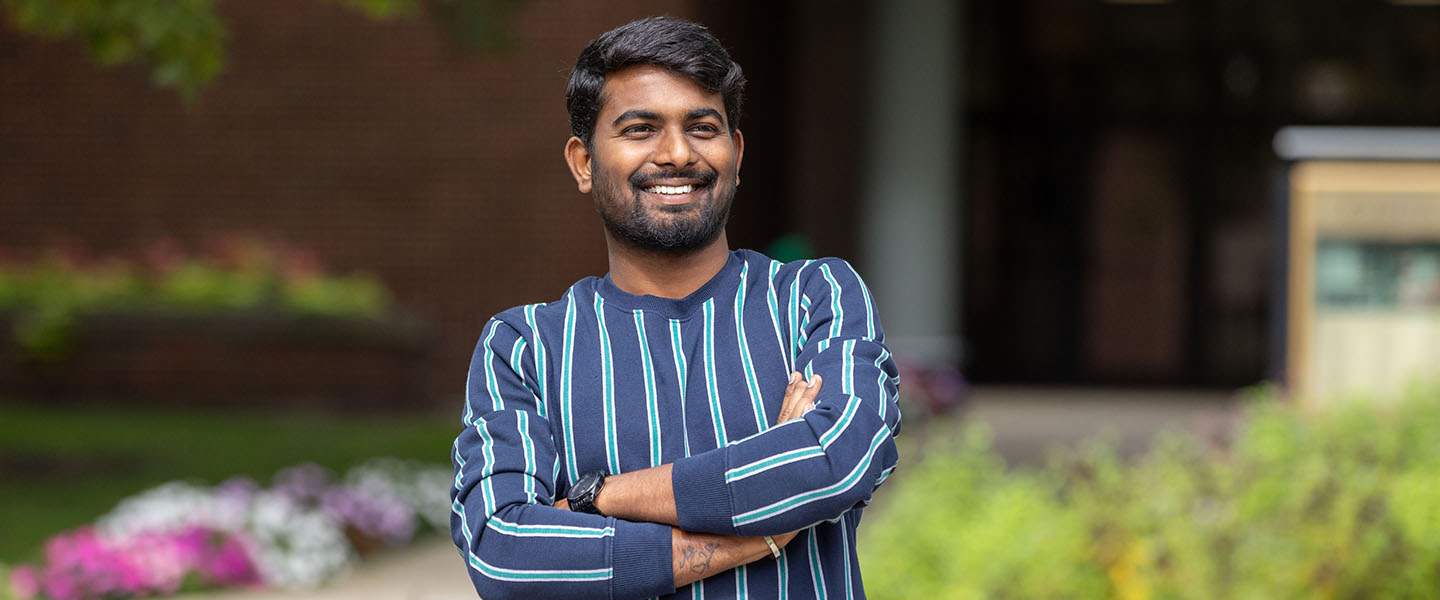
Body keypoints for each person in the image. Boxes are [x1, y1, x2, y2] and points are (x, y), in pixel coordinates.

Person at [449, 16, 900, 599]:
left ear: (735, 153)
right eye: (640, 129)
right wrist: (763, 521)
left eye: (703, 127)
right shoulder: (525, 346)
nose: (677, 153)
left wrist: (597, 496)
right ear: (583, 163)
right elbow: (503, 551)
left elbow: (841, 454)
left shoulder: (815, 297)